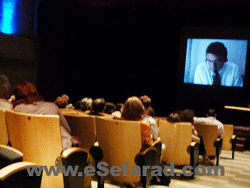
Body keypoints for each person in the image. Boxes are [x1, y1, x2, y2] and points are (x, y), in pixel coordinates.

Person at [12, 81, 78, 150]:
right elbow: (68, 130)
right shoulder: (52, 107)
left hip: (26, 150)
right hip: (55, 153)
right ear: (35, 92)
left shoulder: (16, 109)